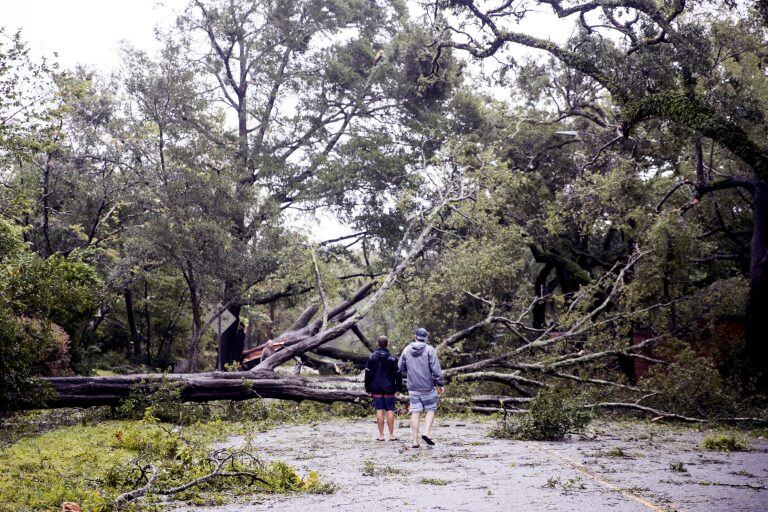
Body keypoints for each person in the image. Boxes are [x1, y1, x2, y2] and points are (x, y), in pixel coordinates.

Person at [398, 327, 445, 448]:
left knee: (415, 411)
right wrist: (440, 383)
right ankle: (426, 433)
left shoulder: (407, 349)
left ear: (415, 336)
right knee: (431, 409)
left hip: (413, 387)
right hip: (428, 387)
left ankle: (415, 441)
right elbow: (436, 369)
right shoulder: (430, 350)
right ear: (426, 338)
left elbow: (400, 367)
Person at [364, 336, 403, 441]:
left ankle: (381, 436)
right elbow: (398, 374)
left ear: (378, 343)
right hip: (389, 387)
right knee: (390, 410)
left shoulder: (372, 357)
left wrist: (367, 388)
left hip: (376, 387)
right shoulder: (392, 358)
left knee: (379, 410)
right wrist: (399, 388)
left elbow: (367, 373)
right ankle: (391, 435)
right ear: (387, 344)